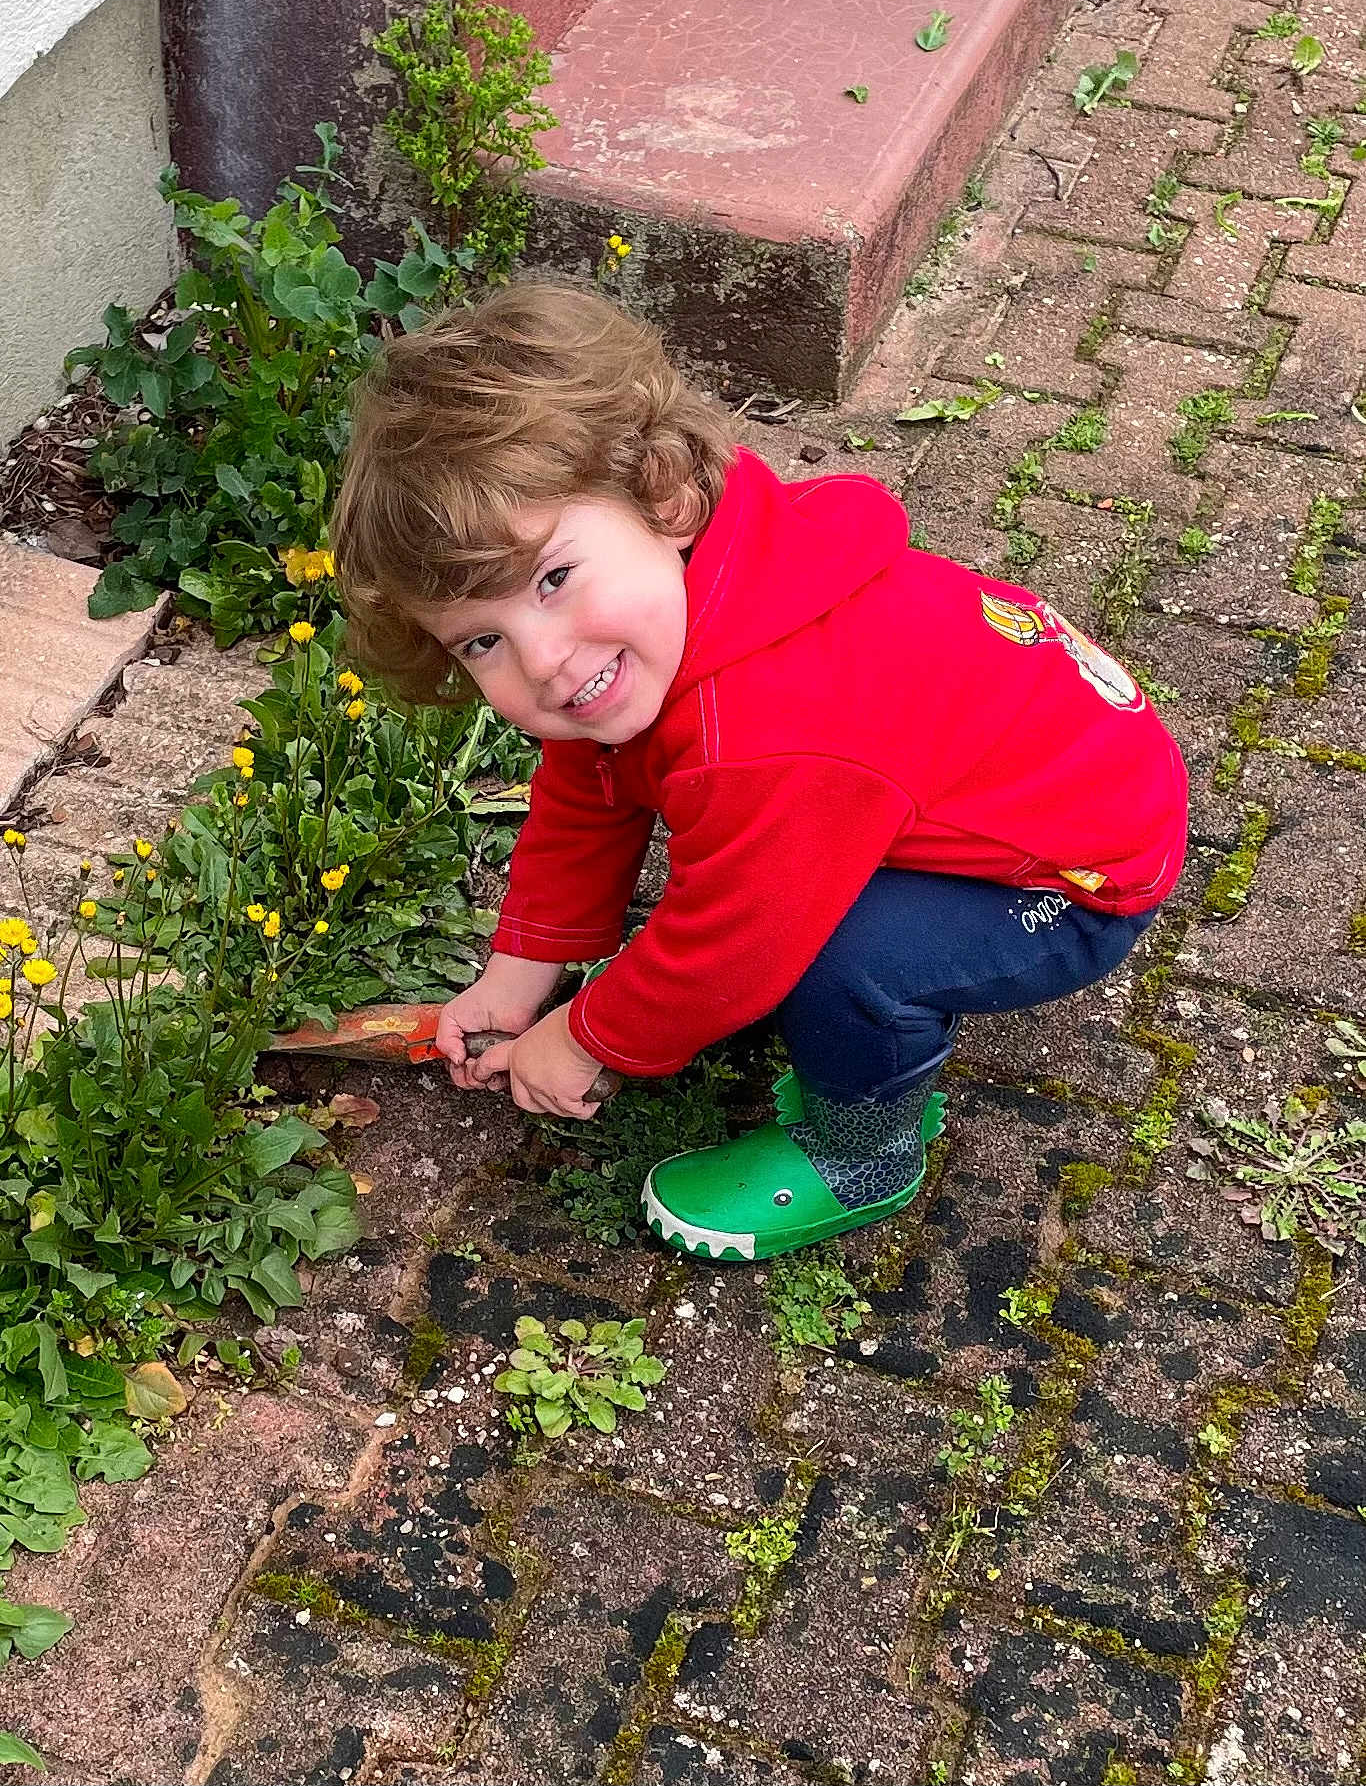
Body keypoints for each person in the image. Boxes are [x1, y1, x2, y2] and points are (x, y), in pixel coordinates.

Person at [331, 280, 1188, 1262]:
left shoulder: (766, 734)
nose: (544, 662)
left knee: (829, 958)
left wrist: (588, 1038)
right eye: (482, 639)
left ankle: (862, 1154)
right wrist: (521, 972)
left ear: (662, 495)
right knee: (781, 876)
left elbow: (728, 947)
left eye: (554, 579)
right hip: (1012, 775)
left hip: (1073, 874)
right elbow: (588, 787)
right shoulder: (699, 584)